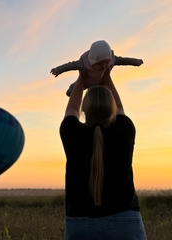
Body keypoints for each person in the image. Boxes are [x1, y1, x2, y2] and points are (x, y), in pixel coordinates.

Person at [59, 69, 147, 238]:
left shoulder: (71, 132)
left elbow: (71, 110)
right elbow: (120, 108)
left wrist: (81, 77)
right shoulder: (125, 130)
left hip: (79, 221)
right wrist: (106, 75)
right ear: (111, 107)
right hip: (125, 220)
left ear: (84, 108)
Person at [50, 40, 143, 96]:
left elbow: (123, 60)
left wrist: (135, 62)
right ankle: (70, 90)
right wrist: (58, 70)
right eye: (99, 64)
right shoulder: (84, 63)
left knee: (108, 94)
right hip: (86, 81)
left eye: (106, 63)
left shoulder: (111, 60)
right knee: (75, 87)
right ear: (92, 61)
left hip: (102, 82)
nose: (104, 66)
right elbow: (71, 65)